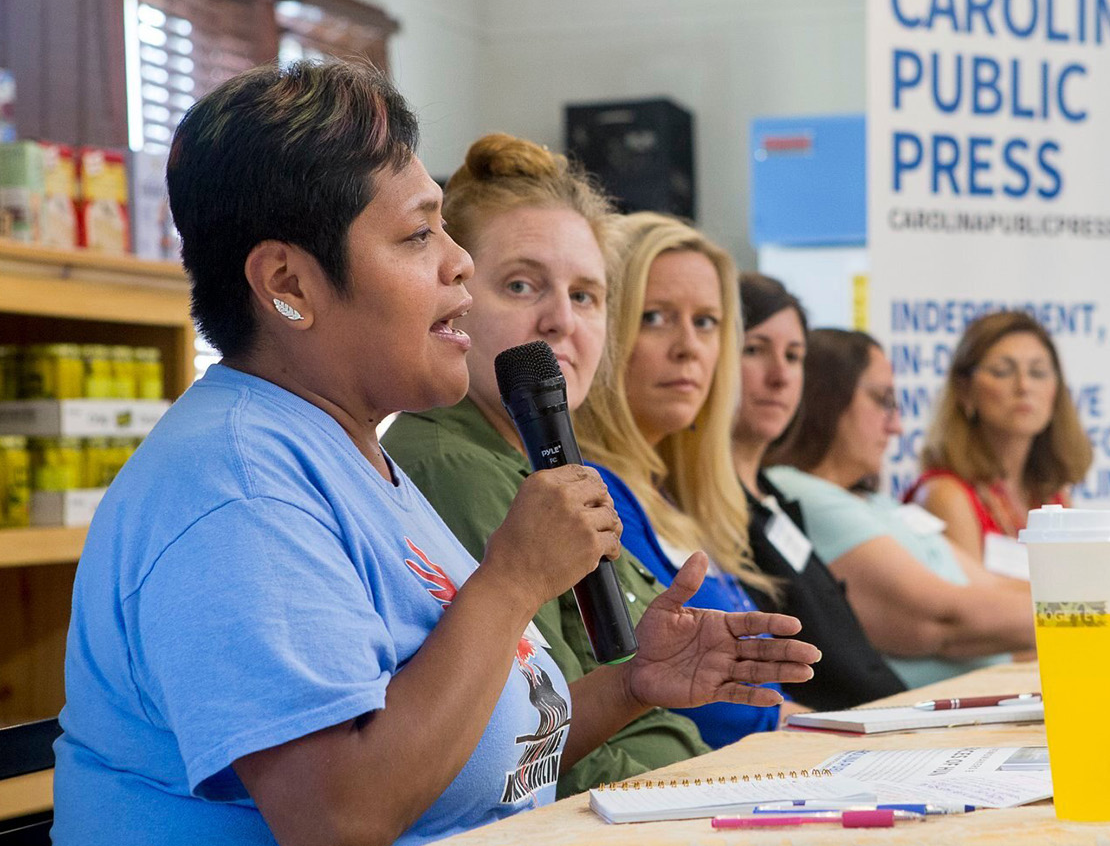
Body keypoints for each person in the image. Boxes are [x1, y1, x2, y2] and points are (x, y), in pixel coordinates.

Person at [51, 61, 818, 845]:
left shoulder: (346, 454)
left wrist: (633, 686)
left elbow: (470, 762)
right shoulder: (239, 490)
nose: (460, 263)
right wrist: (512, 581)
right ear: (288, 283)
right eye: (419, 234)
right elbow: (338, 817)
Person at [381, 133, 710, 797]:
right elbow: (545, 754)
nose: (561, 320)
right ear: (456, 298)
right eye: (522, 285)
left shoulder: (539, 461)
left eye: (586, 295)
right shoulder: (456, 467)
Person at [575, 212, 800, 748]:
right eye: (654, 317)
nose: (688, 348)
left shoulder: (676, 493)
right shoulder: (593, 495)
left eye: (706, 322)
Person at [765, 328, 1037, 689]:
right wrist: (1104, 610)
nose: (896, 426)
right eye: (883, 400)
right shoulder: (798, 491)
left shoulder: (875, 502)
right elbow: (943, 620)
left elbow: (992, 587)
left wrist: (1103, 601)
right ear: (825, 398)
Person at [732, 273, 907, 711]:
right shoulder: (708, 505)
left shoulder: (774, 497)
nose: (780, 377)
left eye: (794, 357)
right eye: (754, 350)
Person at [904, 310, 1093, 568]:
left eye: (1038, 373)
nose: (1024, 386)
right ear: (964, 390)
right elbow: (971, 603)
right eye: (1003, 371)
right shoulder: (944, 495)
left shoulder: (1051, 496)